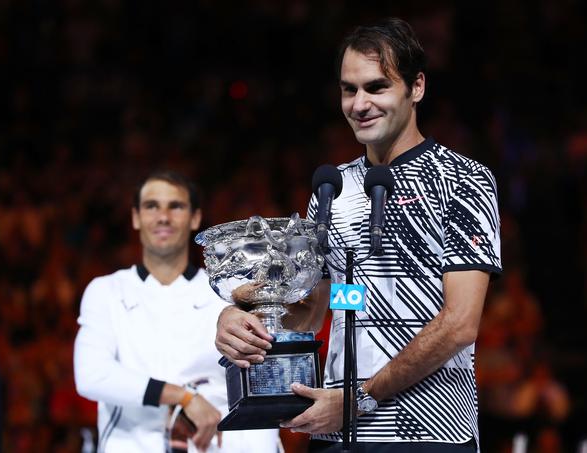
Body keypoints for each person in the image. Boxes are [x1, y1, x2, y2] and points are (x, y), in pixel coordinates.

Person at [215, 17, 502, 452]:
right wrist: (246, 322)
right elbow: (314, 311)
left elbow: (460, 322)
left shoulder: (463, 179)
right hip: (336, 430)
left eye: (376, 87)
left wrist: (359, 400)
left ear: (416, 87)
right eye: (349, 90)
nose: (359, 103)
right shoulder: (331, 190)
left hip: (429, 432)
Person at [73, 170, 279, 453]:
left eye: (176, 206)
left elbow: (257, 381)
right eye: (151, 206)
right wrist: (183, 397)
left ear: (195, 218)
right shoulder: (107, 290)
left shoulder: (227, 293)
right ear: (136, 217)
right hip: (132, 445)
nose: (163, 217)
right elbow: (92, 375)